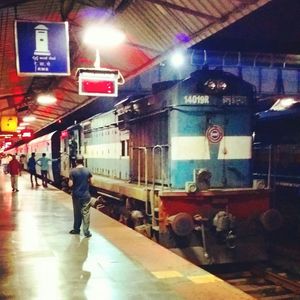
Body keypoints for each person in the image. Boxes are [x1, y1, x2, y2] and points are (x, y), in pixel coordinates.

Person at [68, 155, 93, 238]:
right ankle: (86, 232)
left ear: (76, 161)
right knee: (86, 213)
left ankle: (76, 229)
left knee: (77, 213)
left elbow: (70, 184)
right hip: (86, 195)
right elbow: (92, 182)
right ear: (83, 161)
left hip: (76, 195)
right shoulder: (87, 171)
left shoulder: (72, 171)